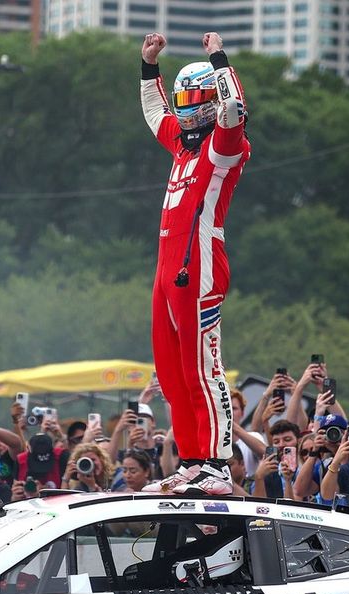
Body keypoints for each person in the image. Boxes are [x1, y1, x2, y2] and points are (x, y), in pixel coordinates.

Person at [139, 30, 250, 496]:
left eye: (193, 97)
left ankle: (217, 466)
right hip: (167, 273)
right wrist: (149, 67)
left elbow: (232, 111)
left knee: (203, 368)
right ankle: (191, 460)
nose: (184, 106)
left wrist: (220, 59)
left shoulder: (225, 146)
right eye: (181, 98)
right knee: (171, 373)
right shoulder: (182, 144)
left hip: (200, 267)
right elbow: (154, 113)